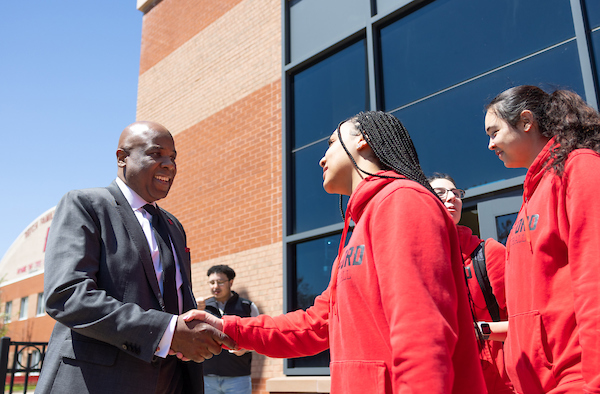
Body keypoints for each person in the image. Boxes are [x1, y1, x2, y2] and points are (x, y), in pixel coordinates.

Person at [182, 111, 486, 393]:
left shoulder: (403, 201)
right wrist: (228, 328)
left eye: (330, 143)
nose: (321, 159)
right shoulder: (360, 229)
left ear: (362, 140)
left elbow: (422, 333)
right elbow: (316, 325)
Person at [36, 121, 235, 394]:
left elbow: (176, 300)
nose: (169, 164)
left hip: (172, 381)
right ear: (122, 158)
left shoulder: (174, 227)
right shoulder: (86, 205)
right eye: (156, 154)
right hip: (100, 382)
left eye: (173, 157)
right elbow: (67, 296)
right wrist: (165, 332)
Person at [485, 85, 600, 393]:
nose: (490, 144)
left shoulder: (580, 168)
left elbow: (595, 281)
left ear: (526, 121)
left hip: (575, 380)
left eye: (494, 132)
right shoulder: (533, 193)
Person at [428, 173, 513, 394]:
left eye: (456, 193)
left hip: (496, 384)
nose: (451, 198)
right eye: (440, 193)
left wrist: (477, 330)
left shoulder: (488, 254)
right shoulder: (416, 261)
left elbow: (525, 321)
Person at [196, 265, 259, 394]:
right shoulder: (202, 308)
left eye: (220, 282)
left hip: (238, 377)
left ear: (231, 282)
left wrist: (245, 349)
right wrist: (193, 309)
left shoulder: (247, 306)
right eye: (212, 282)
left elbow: (259, 336)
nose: (215, 286)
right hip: (207, 377)